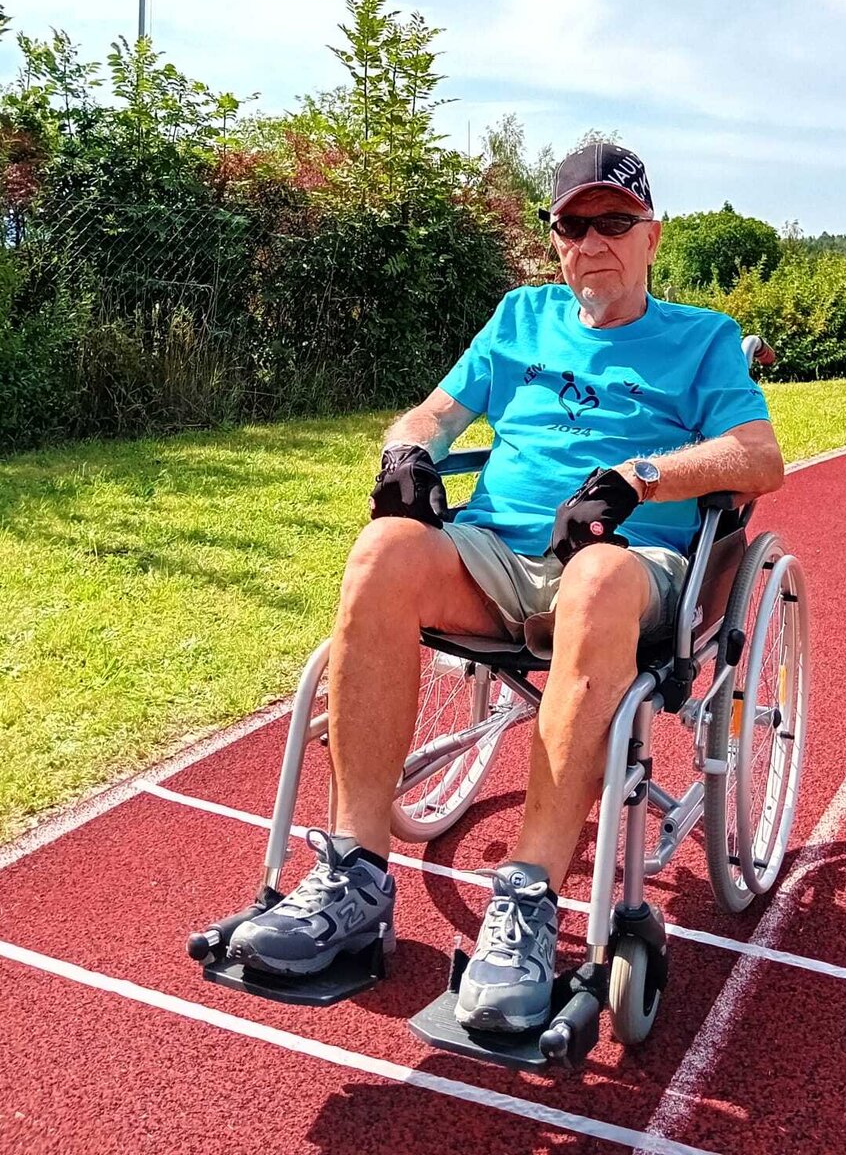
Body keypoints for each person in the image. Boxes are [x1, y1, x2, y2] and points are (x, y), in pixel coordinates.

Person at [230, 142, 785, 1033]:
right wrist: (407, 454)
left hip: (626, 565)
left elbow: (758, 458)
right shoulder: (519, 317)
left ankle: (525, 899)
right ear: (555, 239)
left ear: (651, 236)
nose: (593, 242)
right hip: (497, 554)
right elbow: (433, 414)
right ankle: (353, 876)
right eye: (573, 225)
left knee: (596, 577)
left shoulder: (703, 339)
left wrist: (636, 479)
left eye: (614, 223)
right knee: (381, 551)